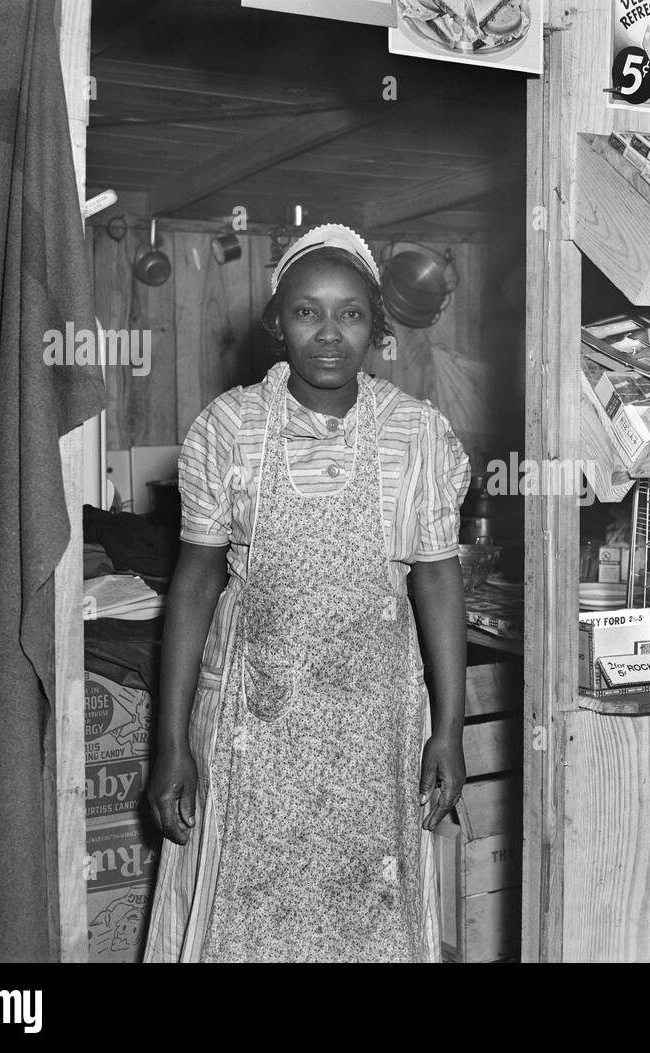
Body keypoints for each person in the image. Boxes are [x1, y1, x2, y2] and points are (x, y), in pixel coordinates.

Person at [143, 224, 470, 962]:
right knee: (247, 916)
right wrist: (172, 743)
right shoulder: (228, 428)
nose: (329, 333)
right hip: (254, 724)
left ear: (377, 326)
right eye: (306, 312)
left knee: (368, 913)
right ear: (276, 324)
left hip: (375, 723)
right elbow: (193, 587)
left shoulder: (418, 435)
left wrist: (447, 726)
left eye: (351, 313)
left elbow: (438, 577)